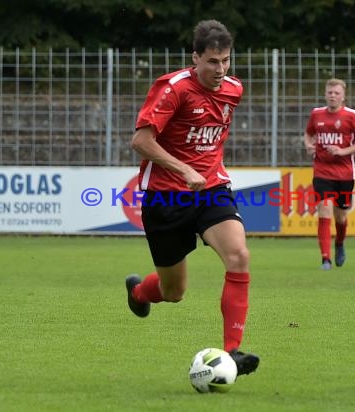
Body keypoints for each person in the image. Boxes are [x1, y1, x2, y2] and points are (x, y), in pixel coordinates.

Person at [125, 20, 259, 377]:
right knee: (173, 292)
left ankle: (232, 352)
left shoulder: (233, 90)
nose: (221, 70)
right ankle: (139, 292)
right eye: (213, 61)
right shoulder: (172, 89)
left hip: (211, 189)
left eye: (226, 61)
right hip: (166, 198)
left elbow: (210, 136)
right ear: (195, 57)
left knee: (239, 255)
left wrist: (204, 169)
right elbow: (140, 141)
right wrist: (183, 169)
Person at [303, 78, 355, 270]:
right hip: (322, 171)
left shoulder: (351, 116)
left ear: (343, 96)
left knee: (340, 216)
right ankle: (325, 259)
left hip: (344, 174)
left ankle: (339, 243)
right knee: (324, 209)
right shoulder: (316, 114)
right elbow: (308, 133)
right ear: (325, 94)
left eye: (336, 93)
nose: (332, 96)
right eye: (330, 92)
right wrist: (308, 145)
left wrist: (343, 151)